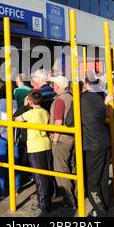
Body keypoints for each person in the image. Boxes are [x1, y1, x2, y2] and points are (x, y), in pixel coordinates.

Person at [15, 90, 53, 216]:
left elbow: (15, 119)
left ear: (30, 101)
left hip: (35, 146)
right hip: (46, 144)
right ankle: (47, 201)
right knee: (47, 175)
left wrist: (25, 105)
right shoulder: (45, 112)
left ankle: (43, 205)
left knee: (39, 177)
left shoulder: (30, 113)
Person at [81, 72, 112, 217]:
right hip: (104, 141)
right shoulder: (101, 97)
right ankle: (102, 208)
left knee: (92, 182)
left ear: (86, 83)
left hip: (92, 144)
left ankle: (101, 213)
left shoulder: (82, 99)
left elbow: (70, 121)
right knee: (103, 178)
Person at [49, 76, 76, 209]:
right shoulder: (71, 97)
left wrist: (55, 138)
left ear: (57, 86)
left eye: (53, 83)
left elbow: (58, 121)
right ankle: (76, 196)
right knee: (72, 167)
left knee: (61, 170)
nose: (52, 85)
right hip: (71, 137)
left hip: (62, 139)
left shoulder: (60, 100)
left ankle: (69, 201)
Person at [0, 82, 20, 198]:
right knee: (15, 161)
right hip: (13, 135)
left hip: (0, 135)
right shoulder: (16, 103)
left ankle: (2, 190)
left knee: (1, 162)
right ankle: (16, 188)